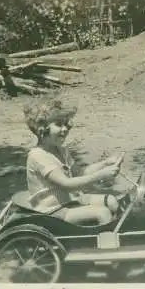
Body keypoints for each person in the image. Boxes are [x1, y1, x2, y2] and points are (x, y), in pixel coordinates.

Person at [23, 97, 123, 226]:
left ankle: (115, 235)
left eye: (66, 124)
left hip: (69, 200)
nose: (65, 129)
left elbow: (80, 172)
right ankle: (103, 244)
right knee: (102, 213)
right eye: (59, 124)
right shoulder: (38, 156)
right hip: (52, 211)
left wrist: (105, 163)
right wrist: (101, 175)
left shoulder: (61, 150)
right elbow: (67, 184)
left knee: (111, 200)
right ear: (42, 128)